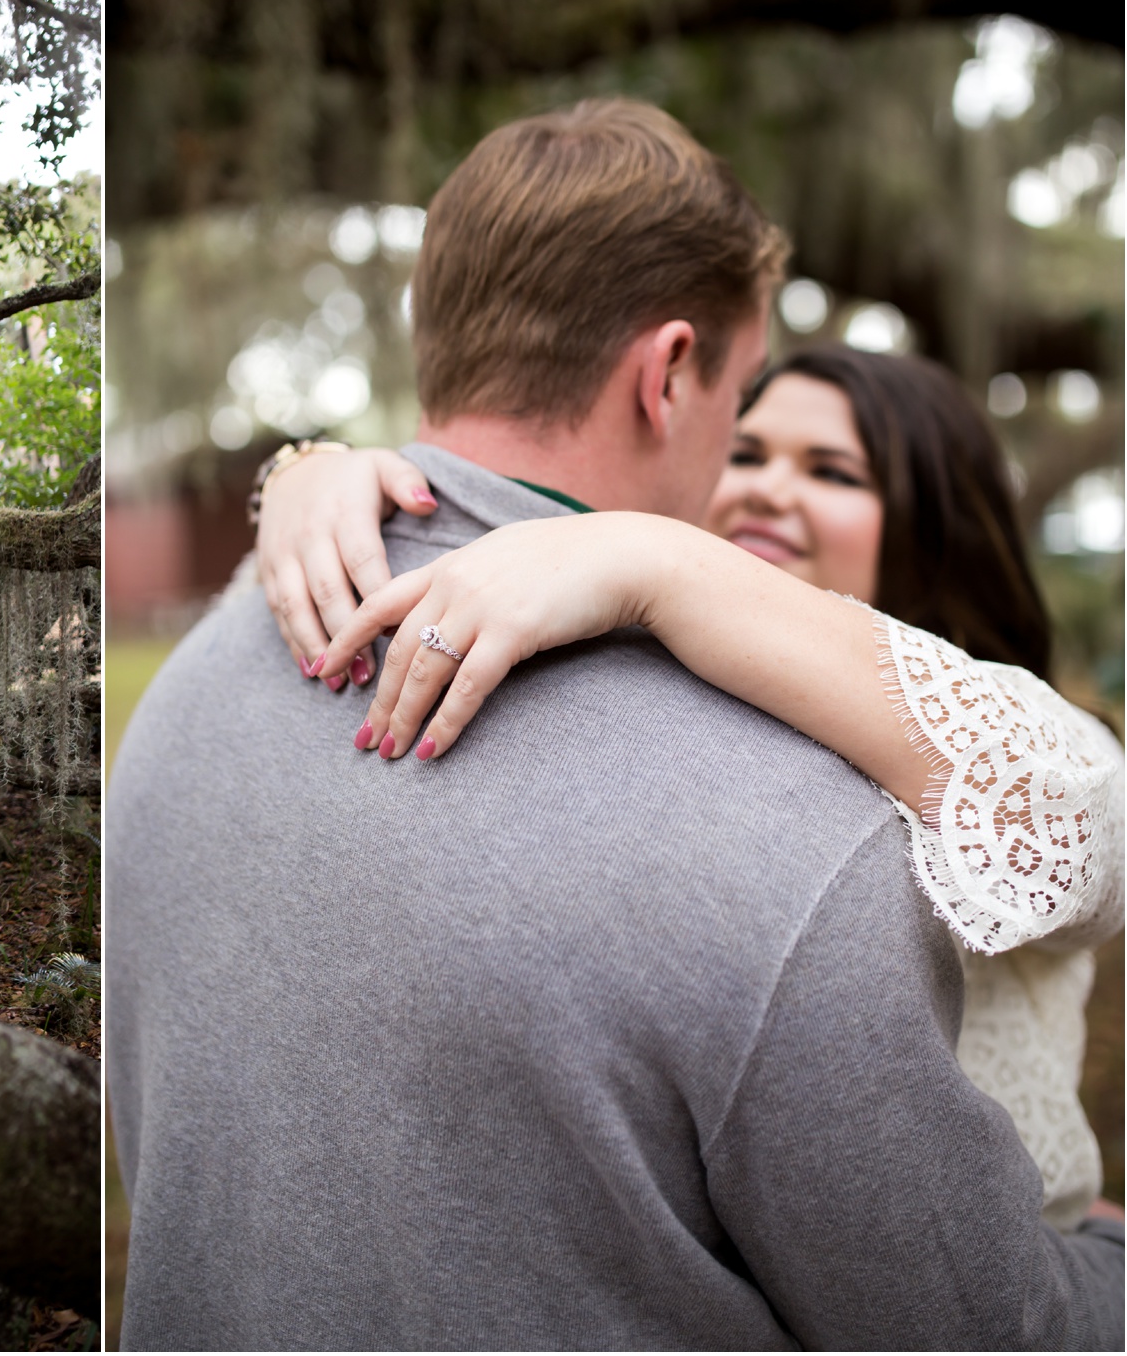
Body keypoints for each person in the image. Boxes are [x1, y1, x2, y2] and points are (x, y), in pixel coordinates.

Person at [104, 98, 1123, 1348]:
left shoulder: (177, 701)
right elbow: (976, 1348)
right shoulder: (795, 842)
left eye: (831, 471)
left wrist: (657, 560)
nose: (747, 488)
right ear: (671, 372)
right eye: (739, 411)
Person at [259, 344, 1123, 1229]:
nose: (765, 489)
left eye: (832, 471)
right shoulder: (659, 667)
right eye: (745, 454)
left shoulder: (1041, 733)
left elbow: (1071, 828)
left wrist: (658, 557)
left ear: (931, 523)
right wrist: (309, 473)